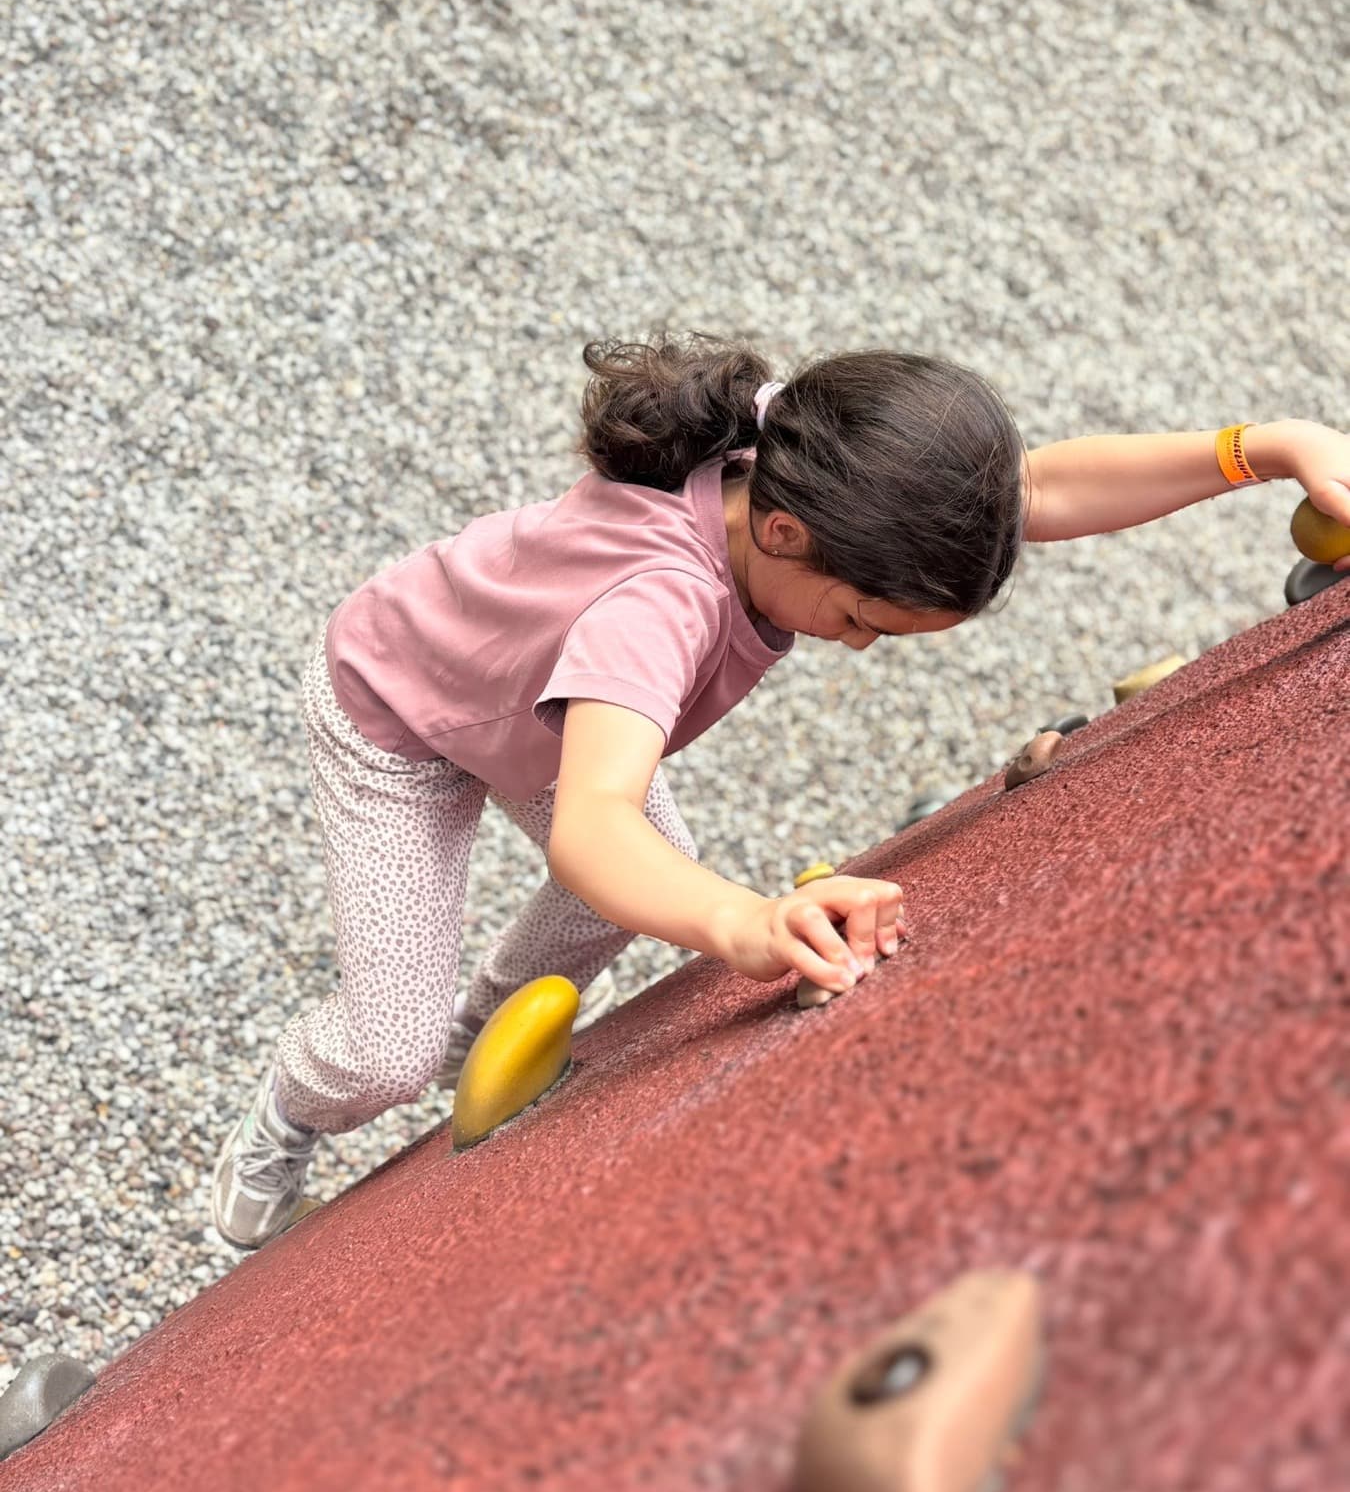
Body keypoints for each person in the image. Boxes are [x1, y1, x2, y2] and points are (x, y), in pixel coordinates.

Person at [211, 331, 1350, 1249]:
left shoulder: (801, 461)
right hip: (405, 720)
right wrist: (743, 922)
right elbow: (596, 825)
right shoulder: (659, 608)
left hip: (538, 710)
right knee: (385, 1050)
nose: (856, 647)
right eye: (859, 620)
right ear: (788, 534)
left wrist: (1264, 450)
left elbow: (1033, 486)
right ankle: (283, 1129)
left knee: (612, 905)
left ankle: (477, 1040)